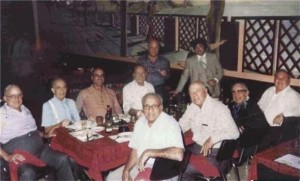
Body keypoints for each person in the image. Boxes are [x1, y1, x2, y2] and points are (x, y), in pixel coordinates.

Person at [0, 84, 74, 180]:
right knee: (28, 173)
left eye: (19, 95)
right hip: (19, 156)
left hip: (40, 150)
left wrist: (45, 134)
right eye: (12, 96)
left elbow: (34, 130)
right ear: (5, 98)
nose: (17, 98)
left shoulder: (25, 109)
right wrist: (7, 157)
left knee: (62, 159)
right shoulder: (1, 114)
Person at [107, 93, 184, 180]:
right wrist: (126, 170)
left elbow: (179, 154)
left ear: (161, 107)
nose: (150, 109)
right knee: (111, 178)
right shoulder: (140, 122)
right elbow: (135, 150)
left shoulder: (170, 124)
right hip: (141, 165)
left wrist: (149, 152)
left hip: (164, 170)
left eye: (154, 106)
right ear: (143, 109)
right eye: (146, 106)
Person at [179, 81, 239, 180]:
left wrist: (212, 139)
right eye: (191, 92)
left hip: (216, 156)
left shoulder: (219, 108)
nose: (194, 95)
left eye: (197, 91)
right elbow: (182, 125)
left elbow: (234, 132)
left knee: (182, 168)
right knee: (172, 159)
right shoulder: (193, 107)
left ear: (206, 91)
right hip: (198, 149)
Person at [258, 70, 300, 150]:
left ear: (289, 80)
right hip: (262, 124)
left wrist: (283, 115)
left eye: (283, 78)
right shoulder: (270, 90)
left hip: (277, 129)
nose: (280, 80)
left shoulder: (293, 95)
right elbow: (260, 104)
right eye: (277, 78)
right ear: (274, 80)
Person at [228, 82, 269, 164]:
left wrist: (240, 123)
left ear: (247, 93)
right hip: (234, 141)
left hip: (244, 146)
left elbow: (263, 124)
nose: (236, 94)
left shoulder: (251, 106)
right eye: (234, 92)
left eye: (239, 91)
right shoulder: (232, 105)